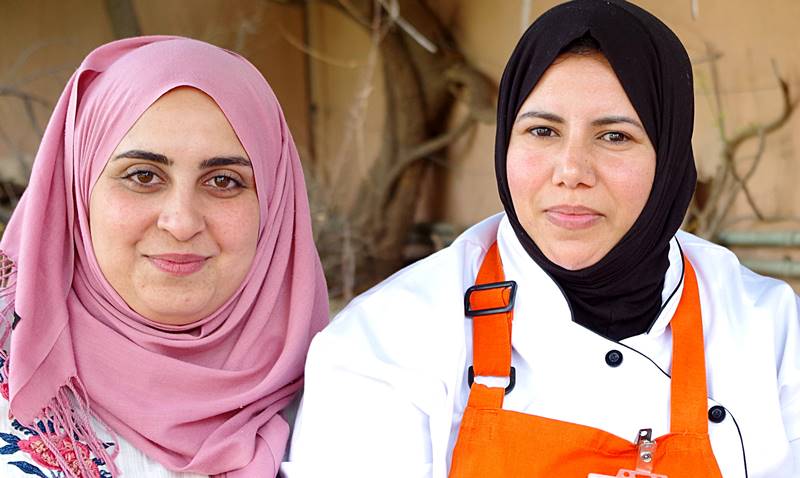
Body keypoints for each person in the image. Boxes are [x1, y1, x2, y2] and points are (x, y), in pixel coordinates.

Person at [283, 1, 799, 477]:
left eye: (614, 135)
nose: (571, 170)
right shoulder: (387, 343)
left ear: (669, 160)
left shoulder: (770, 332)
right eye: (542, 131)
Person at [0, 36, 328, 477]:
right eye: (143, 175)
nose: (181, 221)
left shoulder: (351, 386)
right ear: (78, 190)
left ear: (274, 203)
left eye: (224, 181)